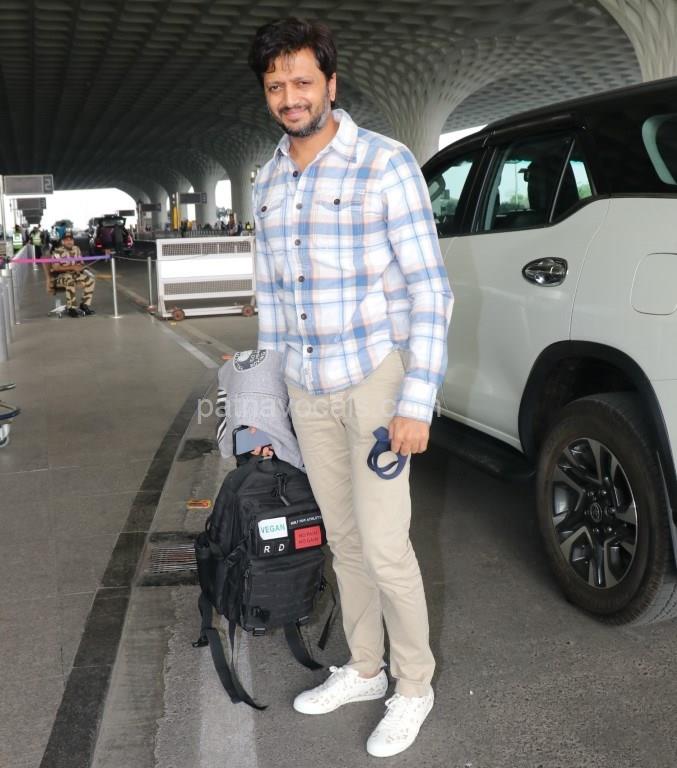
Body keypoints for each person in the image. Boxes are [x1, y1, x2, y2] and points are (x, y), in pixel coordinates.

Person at [248, 17, 453, 758]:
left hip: (374, 380)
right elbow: (272, 300)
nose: (290, 97)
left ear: (331, 84)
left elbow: (431, 290)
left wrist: (415, 400)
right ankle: (366, 668)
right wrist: (265, 407)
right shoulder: (267, 180)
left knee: (386, 545)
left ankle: (414, 685)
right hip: (307, 387)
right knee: (344, 542)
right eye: (276, 85)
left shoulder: (384, 163)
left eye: (303, 81)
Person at [48, 231, 96, 317]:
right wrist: (72, 267)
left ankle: (84, 305)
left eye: (71, 240)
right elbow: (56, 268)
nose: (69, 242)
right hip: (61, 276)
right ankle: (71, 308)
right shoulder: (57, 252)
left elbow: (81, 263)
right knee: (70, 281)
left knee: (90, 280)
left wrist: (81, 267)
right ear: (63, 242)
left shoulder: (76, 249)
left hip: (75, 275)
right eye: (66, 240)